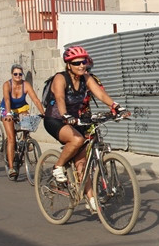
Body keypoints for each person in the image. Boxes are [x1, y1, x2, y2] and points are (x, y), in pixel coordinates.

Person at [43, 46, 127, 214]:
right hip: (55, 119)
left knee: (82, 163)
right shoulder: (60, 78)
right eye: (77, 63)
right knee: (77, 140)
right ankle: (58, 166)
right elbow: (59, 97)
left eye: (84, 62)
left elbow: (100, 94)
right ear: (68, 65)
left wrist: (116, 106)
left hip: (75, 120)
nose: (82, 65)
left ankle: (91, 200)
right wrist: (65, 114)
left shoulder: (86, 77)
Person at [1, 64, 45, 178]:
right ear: (12, 74)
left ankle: (25, 141)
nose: (18, 76)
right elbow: (6, 99)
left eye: (20, 74)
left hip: (21, 108)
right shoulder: (7, 84)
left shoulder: (26, 85)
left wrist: (43, 113)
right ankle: (11, 168)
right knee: (11, 138)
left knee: (28, 121)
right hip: (7, 108)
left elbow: (35, 99)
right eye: (15, 74)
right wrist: (9, 113)